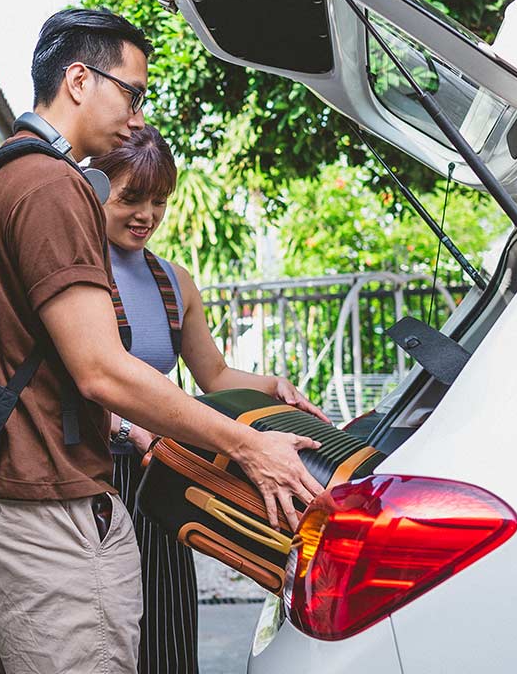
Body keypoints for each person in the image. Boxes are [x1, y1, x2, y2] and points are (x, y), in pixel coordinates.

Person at [0, 8, 324, 674]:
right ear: (79, 79)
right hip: (48, 505)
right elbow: (101, 372)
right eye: (133, 92)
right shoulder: (52, 186)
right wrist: (248, 446)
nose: (139, 115)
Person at [89, 126, 327, 674]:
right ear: (96, 190)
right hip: (94, 479)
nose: (146, 214)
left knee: (168, 627)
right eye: (130, 198)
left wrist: (271, 386)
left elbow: (214, 373)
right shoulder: (78, 274)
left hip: (165, 474)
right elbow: (78, 382)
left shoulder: (175, 282)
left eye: (159, 201)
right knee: (103, 634)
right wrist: (129, 429)